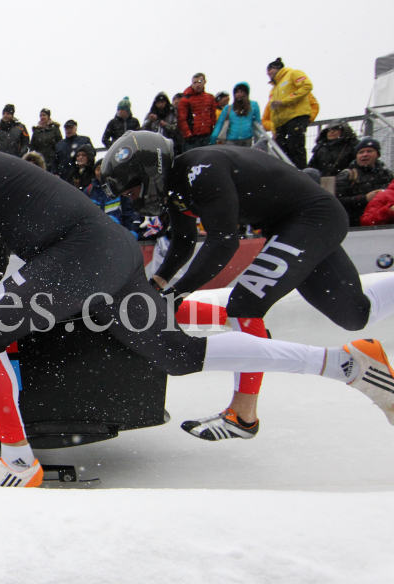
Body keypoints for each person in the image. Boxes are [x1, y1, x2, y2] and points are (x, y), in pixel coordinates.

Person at [0, 130, 394, 487]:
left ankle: (17, 460)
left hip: (79, 252)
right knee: (178, 354)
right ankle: (346, 362)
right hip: (108, 251)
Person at [102, 130, 394, 440]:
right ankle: (365, 354)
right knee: (356, 314)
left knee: (244, 305)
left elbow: (223, 242)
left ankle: (242, 415)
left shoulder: (202, 169)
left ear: (149, 173)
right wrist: (158, 284)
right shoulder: (176, 186)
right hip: (299, 223)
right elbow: (184, 241)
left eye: (132, 191)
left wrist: (177, 294)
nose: (131, 199)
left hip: (309, 218)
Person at [265, 57, 314, 168]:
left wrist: (284, 101)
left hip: (296, 116)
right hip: (281, 123)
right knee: (281, 150)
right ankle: (289, 171)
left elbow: (307, 86)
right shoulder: (274, 89)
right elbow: (273, 111)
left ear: (277, 68)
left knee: (296, 146)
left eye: (270, 69)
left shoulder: (293, 73)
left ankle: (301, 171)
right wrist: (274, 129)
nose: (268, 73)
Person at [335, 138, 393, 226]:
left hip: (380, 224)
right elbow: (337, 201)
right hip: (353, 225)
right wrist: (364, 198)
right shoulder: (347, 175)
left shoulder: (387, 175)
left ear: (377, 155)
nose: (365, 155)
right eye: (361, 152)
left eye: (369, 151)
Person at [210, 83, 261, 147]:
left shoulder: (254, 105)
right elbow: (220, 123)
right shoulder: (228, 108)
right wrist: (214, 136)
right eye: (237, 92)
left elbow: (257, 122)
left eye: (241, 92)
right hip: (231, 140)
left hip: (247, 140)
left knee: (244, 157)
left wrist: (259, 138)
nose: (239, 94)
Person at [177, 73, 218, 152]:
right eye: (194, 83)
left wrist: (212, 131)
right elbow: (182, 119)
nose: (197, 85)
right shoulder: (186, 99)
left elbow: (213, 117)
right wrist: (188, 135)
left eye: (199, 82)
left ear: (204, 82)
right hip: (192, 138)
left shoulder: (210, 98)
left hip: (206, 136)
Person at [29, 109, 63, 174]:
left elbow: (60, 145)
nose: (42, 117)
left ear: (48, 116)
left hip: (52, 161)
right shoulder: (36, 131)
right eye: (41, 116)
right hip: (39, 161)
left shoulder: (55, 129)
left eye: (44, 115)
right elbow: (32, 146)